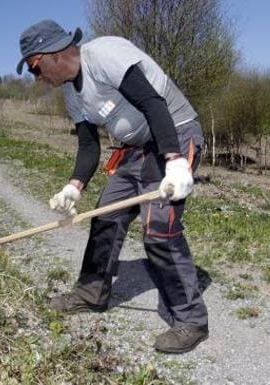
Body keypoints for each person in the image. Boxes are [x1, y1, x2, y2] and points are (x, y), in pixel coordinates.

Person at [16, 20, 209, 354]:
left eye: (34, 68)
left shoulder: (103, 55)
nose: (37, 78)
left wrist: (175, 160)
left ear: (53, 53)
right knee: (105, 217)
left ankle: (191, 320)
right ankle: (90, 294)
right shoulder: (70, 93)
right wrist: (73, 188)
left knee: (159, 229)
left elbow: (153, 103)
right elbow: (89, 146)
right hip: (136, 150)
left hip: (174, 133)